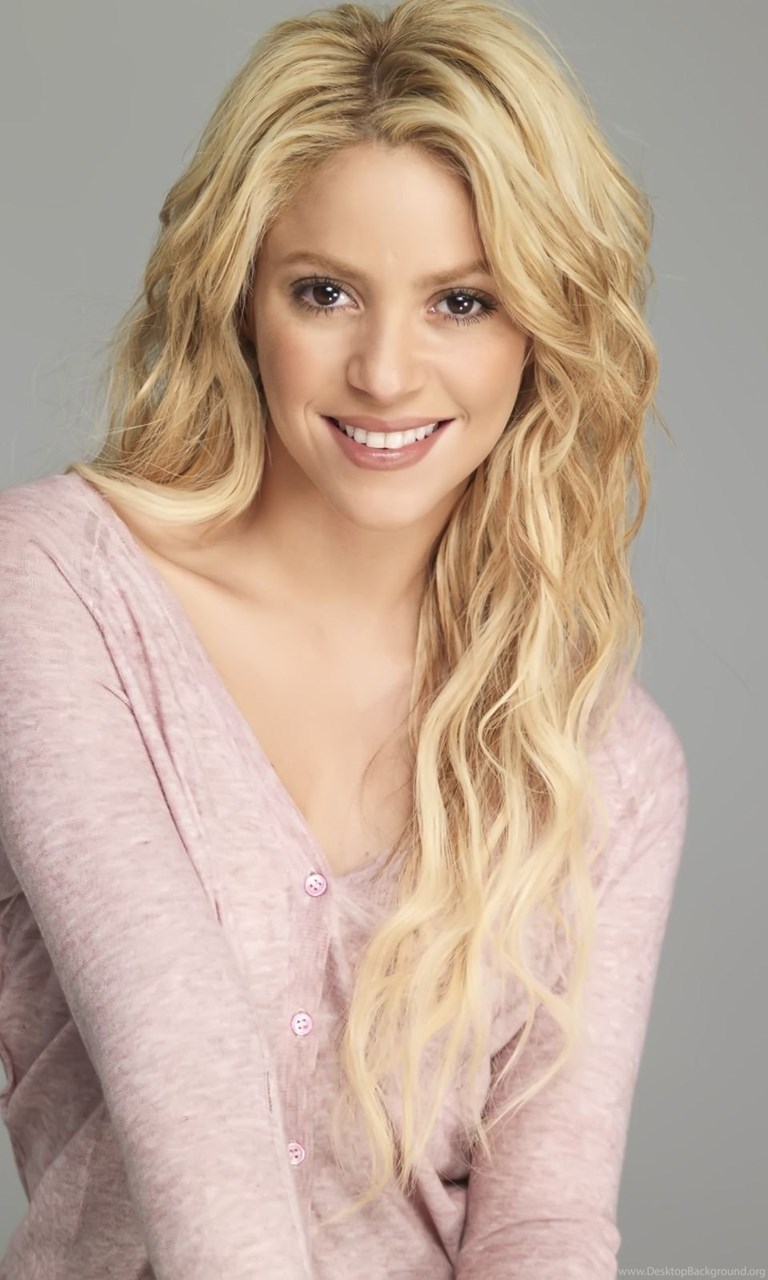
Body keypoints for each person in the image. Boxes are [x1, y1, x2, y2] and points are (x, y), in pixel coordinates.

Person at [0, 0, 689, 1276]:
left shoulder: (608, 758)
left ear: (544, 330)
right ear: (240, 298)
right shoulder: (52, 589)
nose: (384, 370)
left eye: (462, 302)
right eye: (324, 292)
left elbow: (541, 1220)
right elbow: (185, 1077)